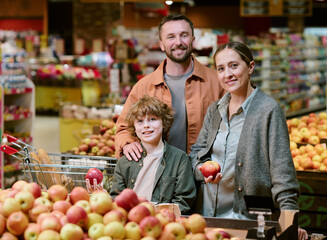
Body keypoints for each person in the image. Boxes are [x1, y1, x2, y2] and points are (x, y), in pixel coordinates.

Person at [188, 41, 308, 239]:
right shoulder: (215, 110)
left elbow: (283, 174)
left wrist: (290, 222)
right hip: (207, 219)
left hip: (246, 223)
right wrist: (202, 171)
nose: (228, 74)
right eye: (221, 68)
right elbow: (197, 153)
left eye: (234, 66)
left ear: (250, 67)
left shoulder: (269, 111)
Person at [115, 14, 225, 161]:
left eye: (184, 35)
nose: (178, 42)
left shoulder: (217, 82)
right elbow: (123, 129)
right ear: (161, 44)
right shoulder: (144, 87)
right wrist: (127, 144)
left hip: (204, 175)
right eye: (171, 37)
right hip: (159, 176)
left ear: (193, 40)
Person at [109, 95, 196, 214]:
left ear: (164, 123)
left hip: (164, 222)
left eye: (152, 119)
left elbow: (184, 199)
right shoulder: (124, 162)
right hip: (132, 221)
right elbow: (116, 198)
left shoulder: (180, 159)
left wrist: (162, 215)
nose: (146, 125)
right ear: (134, 127)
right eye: (140, 121)